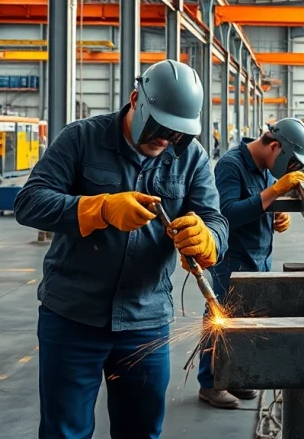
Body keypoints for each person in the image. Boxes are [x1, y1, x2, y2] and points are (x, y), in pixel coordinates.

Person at [14, 60, 229, 439]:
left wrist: (208, 237)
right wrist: (99, 208)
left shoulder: (190, 155)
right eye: (160, 127)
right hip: (72, 317)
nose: (166, 140)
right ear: (136, 100)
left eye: (177, 133)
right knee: (65, 432)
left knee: (141, 430)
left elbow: (215, 219)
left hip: (145, 322)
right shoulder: (81, 138)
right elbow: (29, 203)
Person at [198, 118, 304, 408]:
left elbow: (256, 203)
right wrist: (274, 192)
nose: (289, 170)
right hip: (232, 258)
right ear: (275, 147)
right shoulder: (230, 165)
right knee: (221, 319)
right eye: (290, 162)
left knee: (245, 321)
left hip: (258, 255)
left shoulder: (263, 167)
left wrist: (274, 214)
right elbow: (226, 214)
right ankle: (210, 383)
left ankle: (234, 375)